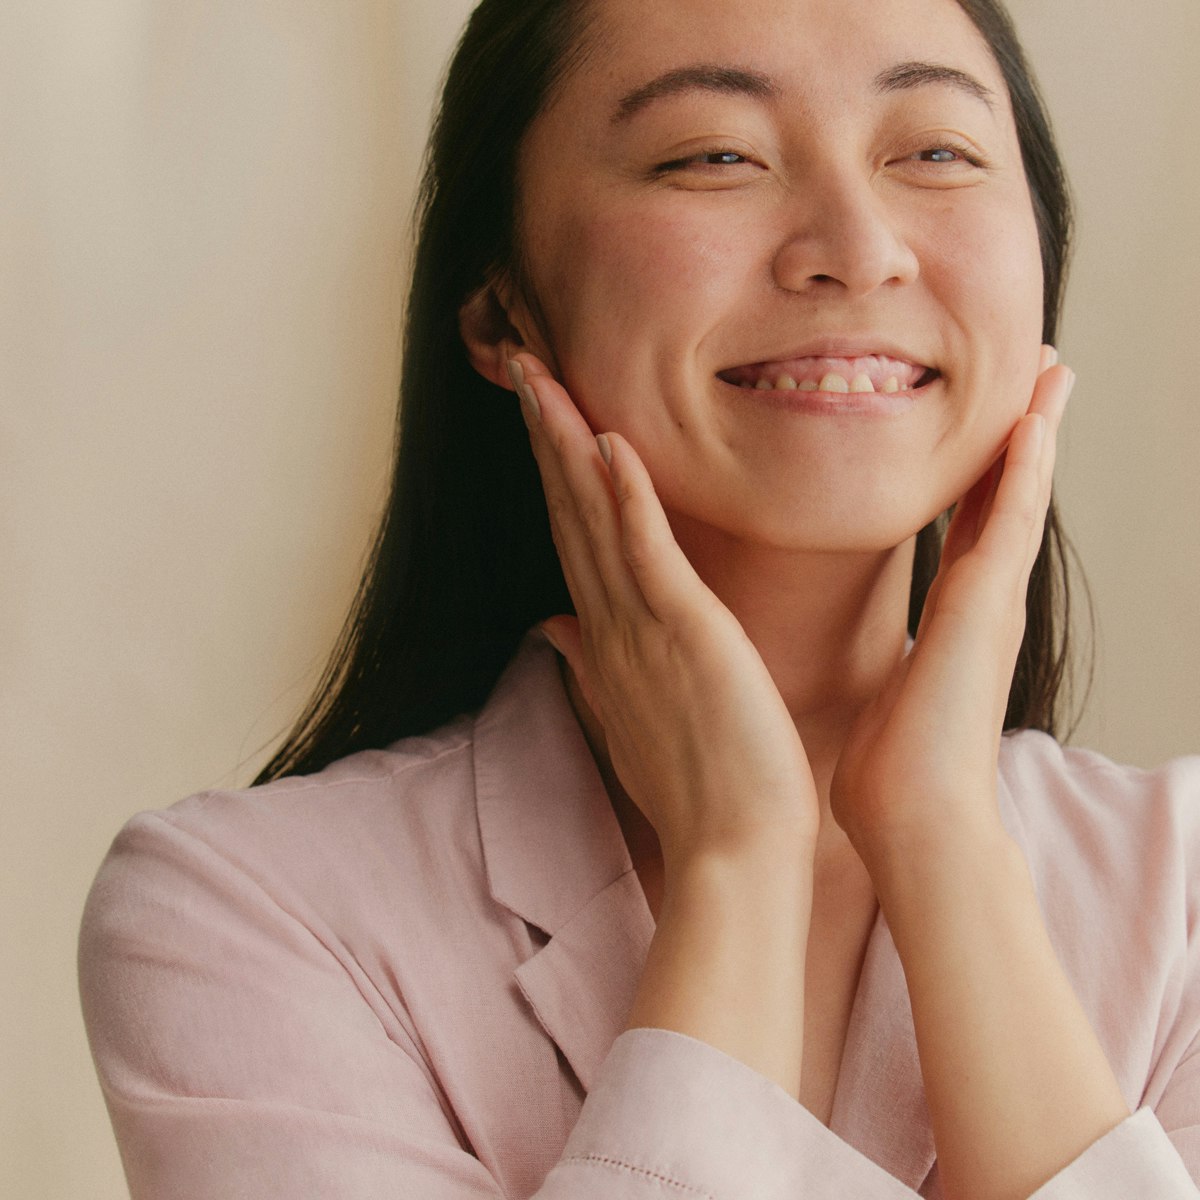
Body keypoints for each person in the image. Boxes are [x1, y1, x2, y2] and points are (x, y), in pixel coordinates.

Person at [78, 0, 1200, 1197]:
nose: (857, 244)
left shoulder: (1180, 893)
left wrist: (945, 841)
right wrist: (738, 862)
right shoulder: (248, 913)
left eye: (934, 151)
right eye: (715, 155)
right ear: (505, 310)